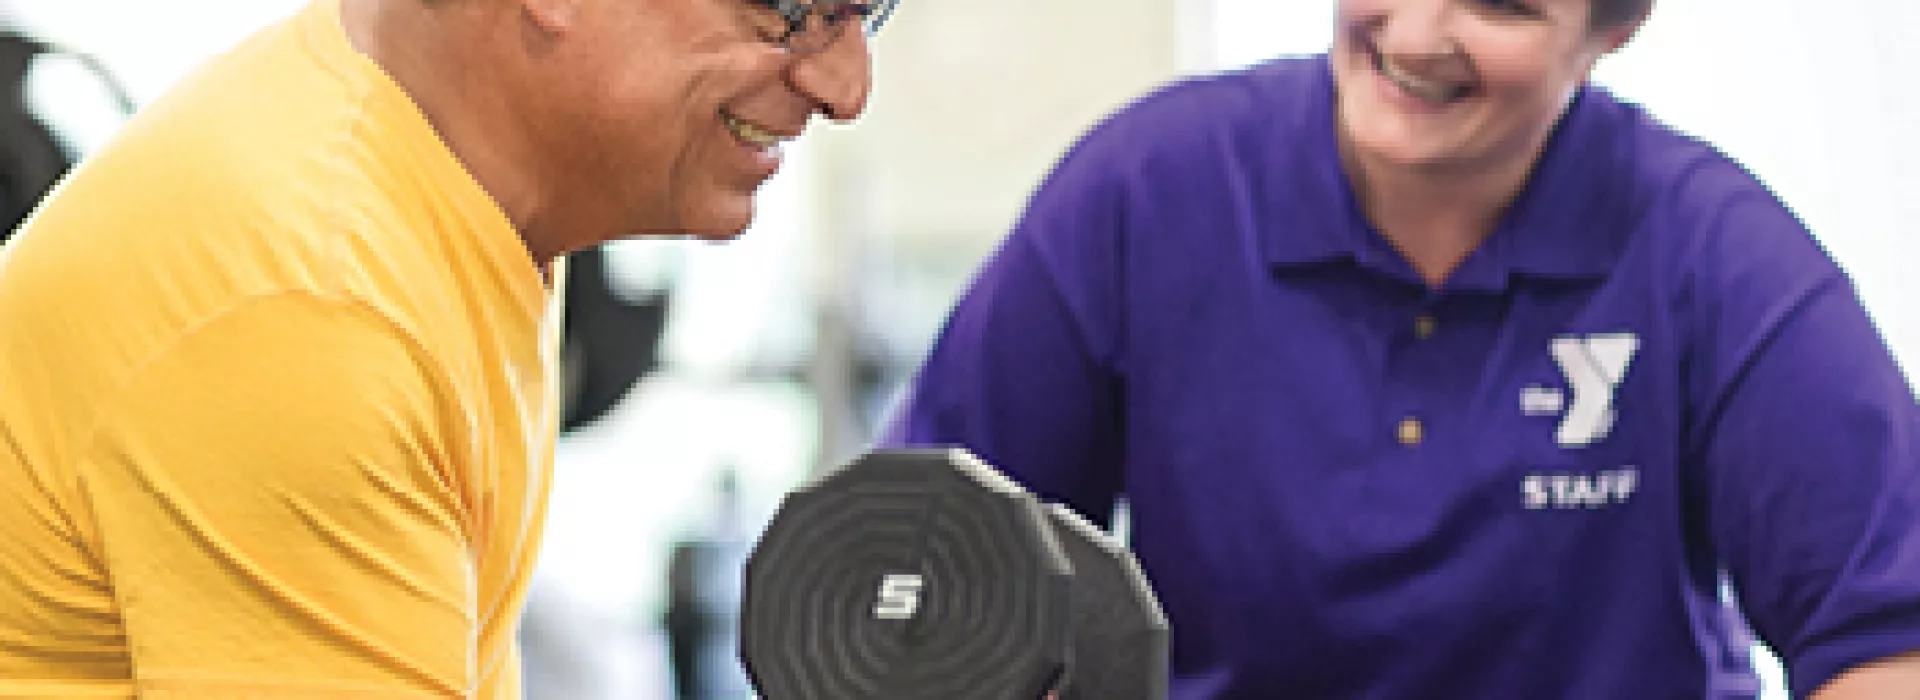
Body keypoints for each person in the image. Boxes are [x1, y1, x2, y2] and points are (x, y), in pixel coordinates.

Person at [881, 0, 1920, 697]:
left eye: (1503, 1)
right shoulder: (1147, 196)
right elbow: (923, 563)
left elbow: (1886, 640)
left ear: (1614, 27)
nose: (1419, 32)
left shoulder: (1710, 252)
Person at [0, 0, 886, 696]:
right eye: (795, 8)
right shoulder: (317, 302)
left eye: (865, 11)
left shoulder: (449, 180)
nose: (845, 88)